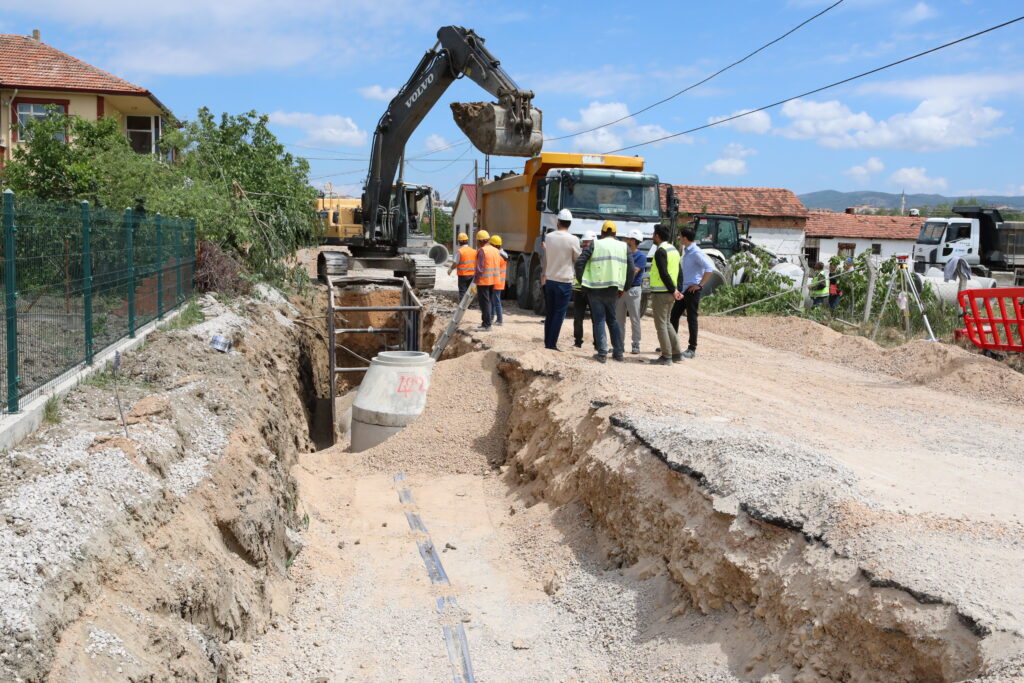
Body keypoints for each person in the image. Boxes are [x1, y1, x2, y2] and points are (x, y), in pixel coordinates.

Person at [575, 220, 630, 363]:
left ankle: (602, 353)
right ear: (615, 234)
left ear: (602, 233)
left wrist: (583, 283)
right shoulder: (623, 247)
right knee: (612, 320)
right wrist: (626, 287)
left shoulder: (596, 244)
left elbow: (579, 262)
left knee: (599, 320)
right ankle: (618, 352)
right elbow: (631, 268)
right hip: (613, 289)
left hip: (595, 289)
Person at [671, 226, 715, 359]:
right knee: (674, 316)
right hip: (684, 290)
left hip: (692, 291)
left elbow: (709, 268)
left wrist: (700, 285)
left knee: (691, 319)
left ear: (684, 238)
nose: (679, 238)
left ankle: (692, 349)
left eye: (680, 236)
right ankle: (672, 344)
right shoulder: (687, 251)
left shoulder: (696, 252)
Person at [540, 209, 581, 350]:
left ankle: (547, 342)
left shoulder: (549, 237)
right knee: (559, 314)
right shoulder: (573, 239)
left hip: (550, 280)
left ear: (557, 222)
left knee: (550, 313)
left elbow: (546, 256)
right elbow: (577, 258)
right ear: (570, 223)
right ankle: (552, 344)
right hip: (564, 282)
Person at [648, 224, 681, 365]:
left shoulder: (661, 251)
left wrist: (674, 290)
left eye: (653, 234)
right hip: (670, 291)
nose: (652, 236)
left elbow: (663, 273)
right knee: (667, 323)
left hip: (662, 292)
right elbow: (680, 272)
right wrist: (677, 289)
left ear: (657, 235)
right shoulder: (674, 250)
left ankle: (666, 356)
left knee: (661, 325)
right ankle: (677, 353)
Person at [616, 229, 646, 354]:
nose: (625, 240)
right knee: (619, 319)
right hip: (621, 290)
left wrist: (624, 288)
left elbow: (633, 273)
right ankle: (619, 344)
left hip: (632, 290)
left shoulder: (640, 256)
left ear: (633, 241)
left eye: (627, 238)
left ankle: (635, 344)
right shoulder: (623, 254)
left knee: (634, 318)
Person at [474, 229, 501, 331]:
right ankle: (486, 323)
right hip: (493, 280)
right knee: (489, 301)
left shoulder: (482, 251)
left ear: (480, 241)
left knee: (484, 303)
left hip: (484, 281)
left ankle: (486, 325)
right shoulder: (495, 250)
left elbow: (480, 268)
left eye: (477, 241)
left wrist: (474, 282)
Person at [573, 231, 596, 348]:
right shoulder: (579, 254)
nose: (586, 244)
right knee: (578, 317)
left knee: (595, 318)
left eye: (588, 242)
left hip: (592, 290)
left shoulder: (597, 256)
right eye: (584, 242)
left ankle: (597, 342)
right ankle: (577, 341)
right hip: (579, 290)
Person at [447, 232, 477, 302]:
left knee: (462, 291)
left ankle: (462, 306)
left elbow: (455, 263)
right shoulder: (473, 251)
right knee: (469, 291)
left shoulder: (460, 251)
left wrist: (450, 269)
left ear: (459, 241)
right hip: (472, 274)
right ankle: (469, 305)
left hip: (463, 275)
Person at [490, 235, 508, 326]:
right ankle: (491, 317)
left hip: (496, 282)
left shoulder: (498, 256)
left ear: (495, 246)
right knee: (494, 301)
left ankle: (500, 320)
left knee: (496, 301)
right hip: (499, 281)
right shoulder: (503, 254)